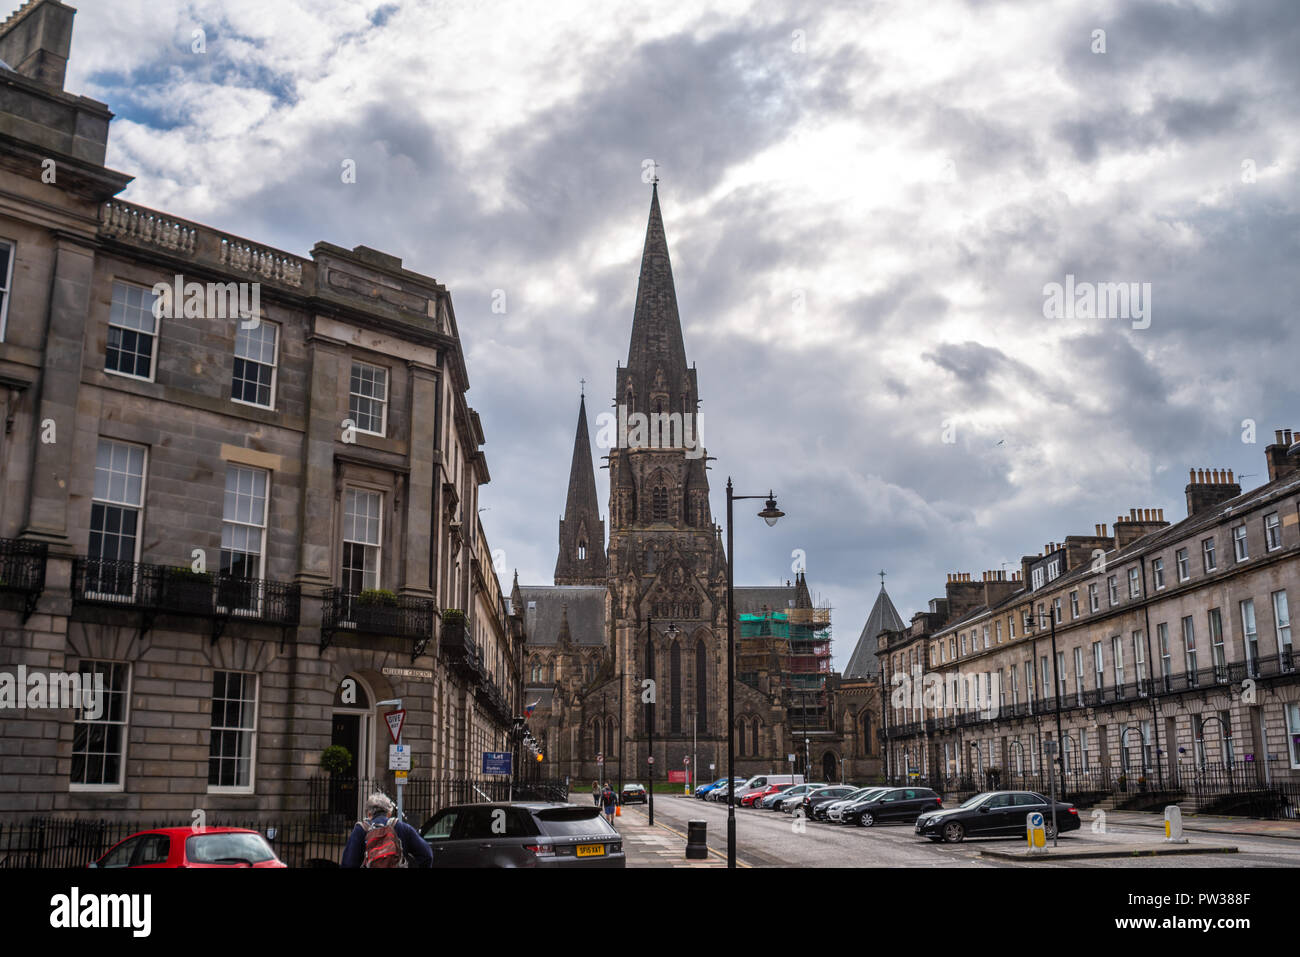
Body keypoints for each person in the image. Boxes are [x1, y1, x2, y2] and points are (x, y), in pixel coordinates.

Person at [341, 791, 434, 868]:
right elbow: (427, 855)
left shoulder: (361, 830)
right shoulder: (403, 828)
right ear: (389, 813)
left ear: (369, 814)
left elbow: (348, 863)